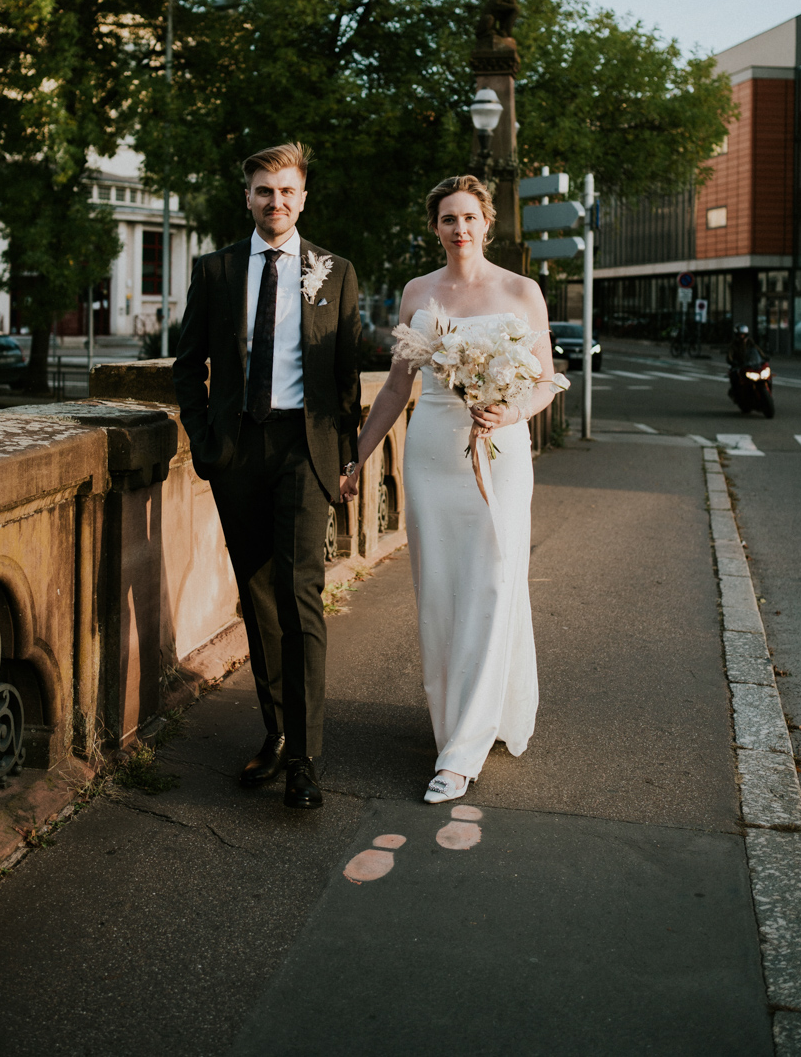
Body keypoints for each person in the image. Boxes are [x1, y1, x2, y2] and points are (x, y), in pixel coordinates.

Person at [341, 174, 559, 805]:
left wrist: (511, 413)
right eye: (447, 219)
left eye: (469, 217)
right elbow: (393, 389)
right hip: (433, 455)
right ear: (433, 227)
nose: (459, 229)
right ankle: (454, 723)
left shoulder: (522, 291)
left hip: (501, 454)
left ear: (487, 223)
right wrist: (356, 457)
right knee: (440, 593)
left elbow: (546, 381)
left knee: (493, 585)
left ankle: (460, 754)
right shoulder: (417, 292)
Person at [173, 142, 362, 810]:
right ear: (247, 197)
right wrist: (206, 445)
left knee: (299, 592)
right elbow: (186, 365)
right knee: (257, 597)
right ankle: (277, 732)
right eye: (262, 191)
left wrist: (349, 458)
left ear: (303, 197)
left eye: (286, 191)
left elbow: (343, 378)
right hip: (239, 452)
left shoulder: (335, 271)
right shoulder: (216, 270)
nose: (274, 202)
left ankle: (306, 760)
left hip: (305, 450)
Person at [727, 323, 759, 396]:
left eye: (744, 334)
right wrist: (732, 361)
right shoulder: (734, 344)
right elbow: (729, 355)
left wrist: (763, 357)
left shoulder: (749, 342)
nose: (742, 336)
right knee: (735, 376)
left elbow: (757, 349)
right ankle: (736, 392)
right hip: (737, 364)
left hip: (749, 363)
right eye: (741, 334)